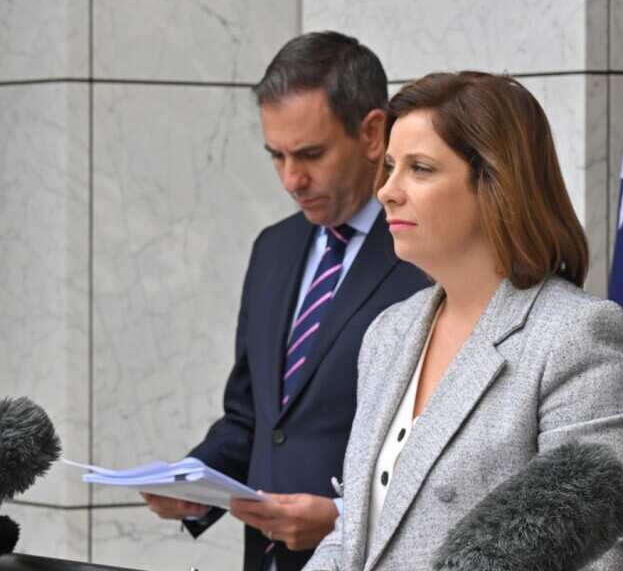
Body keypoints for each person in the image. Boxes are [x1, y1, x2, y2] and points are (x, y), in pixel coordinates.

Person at [302, 72, 623, 569]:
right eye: (389, 167)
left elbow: (593, 555)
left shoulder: (577, 337)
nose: (386, 191)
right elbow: (354, 535)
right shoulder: (387, 333)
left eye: (419, 169)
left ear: (495, 182)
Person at [141, 31, 428, 571]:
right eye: (276, 156)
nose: (292, 180)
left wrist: (344, 516)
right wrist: (194, 483)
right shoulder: (274, 248)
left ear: (372, 134)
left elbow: (451, 457)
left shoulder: (426, 257)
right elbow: (252, 420)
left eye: (311, 154)